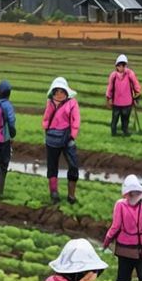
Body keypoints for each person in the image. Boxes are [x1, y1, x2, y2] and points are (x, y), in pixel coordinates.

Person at [104, 177, 142, 281]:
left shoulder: (120, 205)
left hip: (124, 249)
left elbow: (115, 226)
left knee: (122, 280)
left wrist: (107, 241)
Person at [42, 78, 81, 206]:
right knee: (52, 166)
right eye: (56, 91)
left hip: (67, 138)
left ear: (66, 91)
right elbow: (46, 118)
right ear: (53, 92)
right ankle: (54, 193)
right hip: (52, 138)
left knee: (73, 166)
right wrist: (46, 131)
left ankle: (71, 195)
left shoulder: (72, 103)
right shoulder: (50, 103)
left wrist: (72, 136)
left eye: (61, 91)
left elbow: (76, 120)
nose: (59, 94)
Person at [106, 55, 139, 137]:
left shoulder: (130, 74)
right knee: (115, 119)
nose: (121, 67)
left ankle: (125, 131)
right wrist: (109, 97)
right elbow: (110, 87)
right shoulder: (113, 76)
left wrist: (137, 95)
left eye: (123, 65)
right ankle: (113, 133)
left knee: (125, 119)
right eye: (119, 65)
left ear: (125, 65)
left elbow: (136, 84)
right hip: (116, 102)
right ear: (116, 66)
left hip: (127, 102)